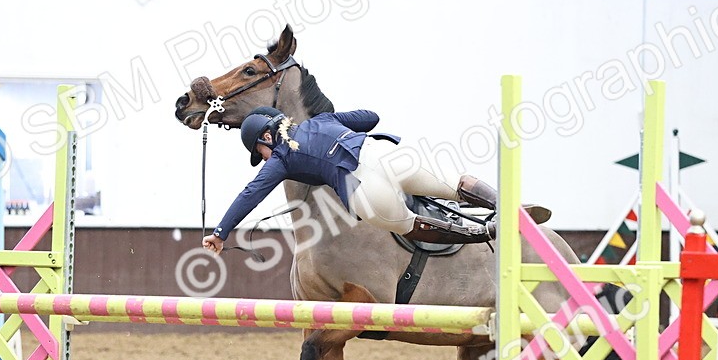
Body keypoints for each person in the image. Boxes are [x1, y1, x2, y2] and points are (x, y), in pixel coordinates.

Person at [201, 106, 498, 254]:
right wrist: (332, 120)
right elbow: (371, 117)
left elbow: (251, 193)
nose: (264, 158)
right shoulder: (321, 120)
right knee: (455, 183)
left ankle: (483, 233)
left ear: (267, 136)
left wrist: (221, 232)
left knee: (408, 225)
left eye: (260, 151)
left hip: (362, 188)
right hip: (385, 154)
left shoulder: (281, 158)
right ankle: (504, 203)